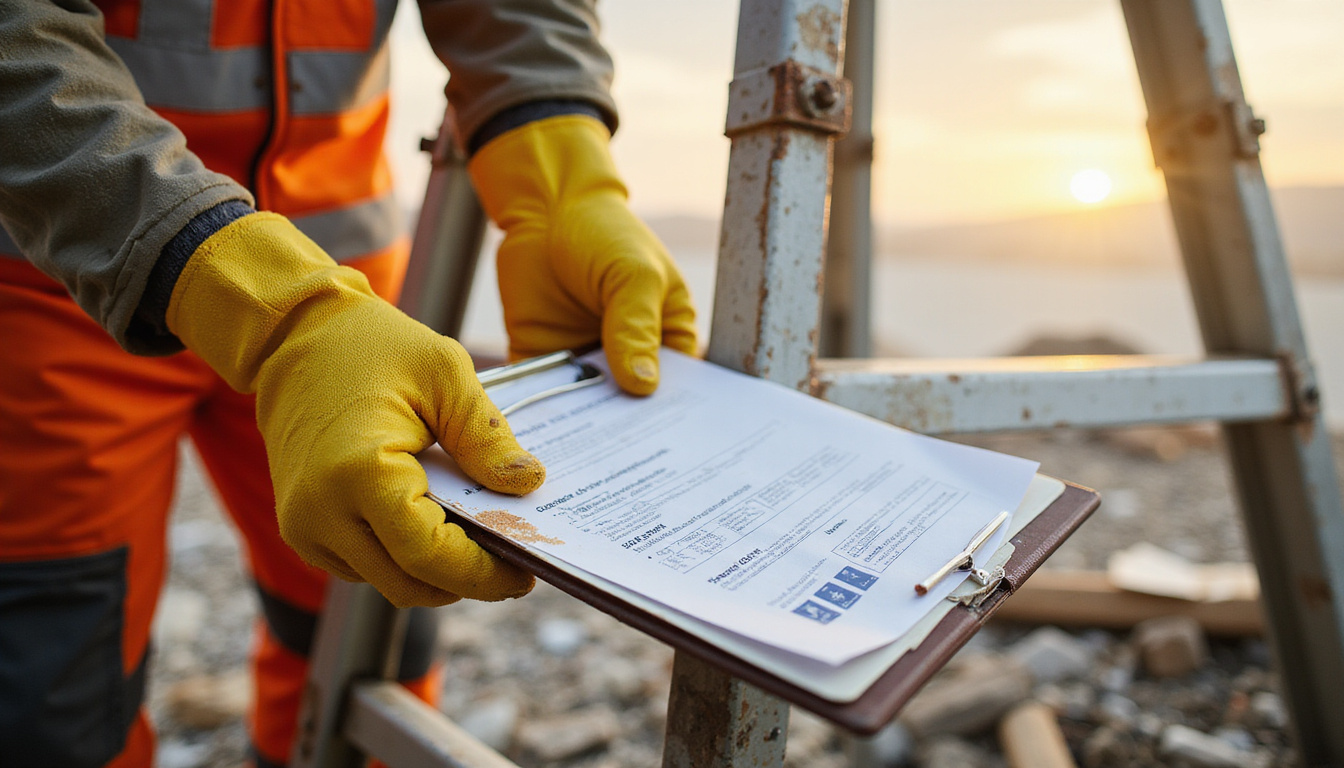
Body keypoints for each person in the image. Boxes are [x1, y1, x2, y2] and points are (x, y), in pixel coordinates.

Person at [0, 1, 698, 766]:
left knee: (375, 613)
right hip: (59, 286)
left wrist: (561, 172)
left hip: (349, 313)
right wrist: (280, 311)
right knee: (50, 683)